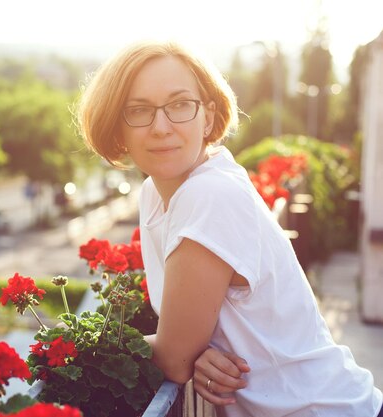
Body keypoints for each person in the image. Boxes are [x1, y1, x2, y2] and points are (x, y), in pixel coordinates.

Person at [76, 40, 383, 416]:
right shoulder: (155, 192)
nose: (161, 127)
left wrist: (179, 352)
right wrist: (194, 352)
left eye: (180, 106)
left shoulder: (209, 193)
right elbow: (181, 352)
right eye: (138, 110)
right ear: (117, 126)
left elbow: (174, 358)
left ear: (208, 115)